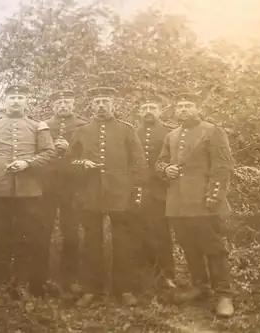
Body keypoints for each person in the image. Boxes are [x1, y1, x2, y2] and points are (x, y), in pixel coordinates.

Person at [0, 84, 55, 309]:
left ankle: (20, 285)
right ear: (4, 102)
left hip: (29, 192)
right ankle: (1, 287)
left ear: (27, 101)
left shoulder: (38, 125)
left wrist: (28, 162)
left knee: (26, 238)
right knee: (0, 239)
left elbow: (49, 153)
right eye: (12, 98)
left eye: (20, 97)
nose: (16, 101)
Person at [67, 87, 147, 308]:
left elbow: (138, 163)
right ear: (91, 106)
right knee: (91, 243)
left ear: (114, 105)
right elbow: (68, 162)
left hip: (120, 195)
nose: (101, 105)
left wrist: (134, 192)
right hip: (90, 194)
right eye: (97, 102)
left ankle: (125, 289)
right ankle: (91, 289)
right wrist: (83, 164)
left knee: (123, 242)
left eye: (106, 101)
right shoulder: (81, 131)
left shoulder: (126, 130)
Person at [156, 92, 235, 317]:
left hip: (203, 202)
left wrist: (213, 198)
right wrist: (164, 169)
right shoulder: (171, 135)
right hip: (178, 204)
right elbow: (159, 162)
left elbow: (222, 167)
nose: (183, 110)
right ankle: (200, 287)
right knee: (189, 246)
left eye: (188, 105)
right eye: (179, 106)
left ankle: (223, 295)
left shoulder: (212, 131)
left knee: (214, 248)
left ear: (197, 108)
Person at [42, 90, 87, 296]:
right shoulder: (43, 126)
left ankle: (70, 278)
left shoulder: (83, 125)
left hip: (73, 187)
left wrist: (70, 148)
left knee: (71, 233)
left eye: (67, 102)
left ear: (73, 104)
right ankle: (42, 278)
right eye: (59, 102)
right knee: (42, 231)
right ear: (53, 106)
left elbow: (90, 153)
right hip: (47, 186)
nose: (63, 106)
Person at [134, 95, 177, 289]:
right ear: (140, 113)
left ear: (160, 111)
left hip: (163, 190)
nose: (148, 111)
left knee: (161, 232)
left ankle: (167, 274)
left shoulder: (171, 132)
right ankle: (145, 270)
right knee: (140, 229)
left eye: (152, 107)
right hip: (138, 190)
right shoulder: (133, 133)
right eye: (144, 108)